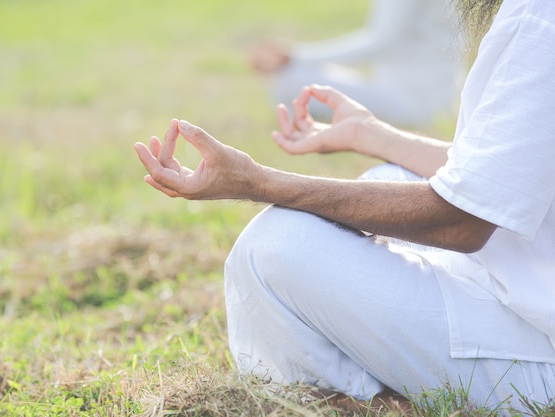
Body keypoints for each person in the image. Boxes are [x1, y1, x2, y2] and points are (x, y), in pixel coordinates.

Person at [134, 0, 555, 413]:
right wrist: (371, 135)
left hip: (536, 353)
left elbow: (462, 221)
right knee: (384, 180)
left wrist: (258, 181)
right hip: (523, 286)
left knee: (275, 246)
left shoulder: (538, 17)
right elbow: (505, 173)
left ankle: (359, 400)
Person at [250, 0, 466, 127]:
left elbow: (380, 42)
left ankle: (309, 123)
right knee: (300, 73)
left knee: (291, 77)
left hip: (412, 105)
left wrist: (297, 56)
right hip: (435, 100)